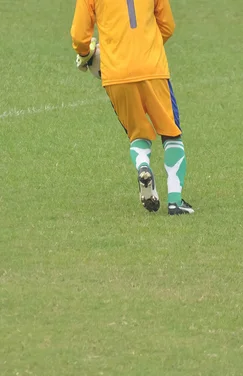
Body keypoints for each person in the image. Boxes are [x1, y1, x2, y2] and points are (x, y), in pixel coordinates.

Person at [70, 0, 194, 215]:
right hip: (152, 69)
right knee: (171, 133)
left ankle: (143, 166)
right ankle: (175, 201)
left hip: (116, 74)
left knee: (137, 133)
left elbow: (79, 36)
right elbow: (167, 25)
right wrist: (148, 46)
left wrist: (85, 55)